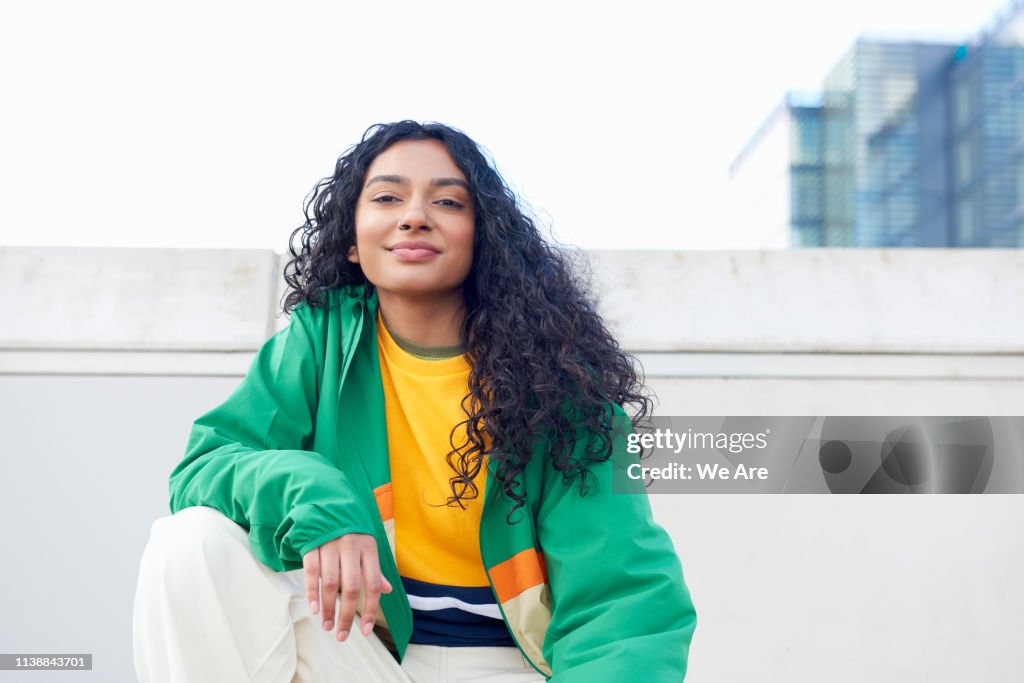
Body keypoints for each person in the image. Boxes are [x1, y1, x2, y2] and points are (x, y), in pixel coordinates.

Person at [133, 120, 696, 682]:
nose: (414, 215)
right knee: (189, 543)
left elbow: (622, 600)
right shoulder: (317, 345)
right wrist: (317, 498)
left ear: (484, 238)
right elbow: (204, 468)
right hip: (360, 652)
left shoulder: (560, 381)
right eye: (387, 197)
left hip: (508, 666)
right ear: (352, 241)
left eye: (448, 201)